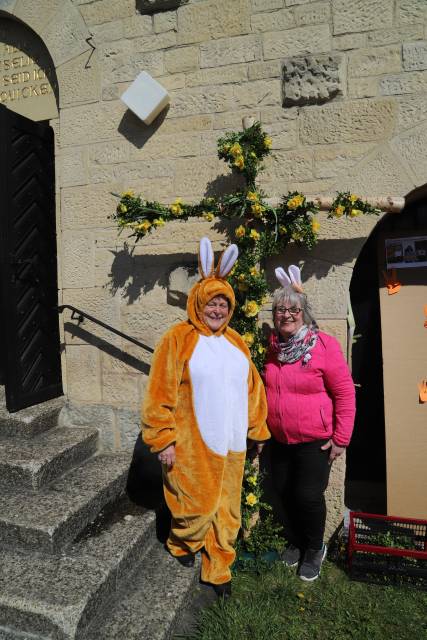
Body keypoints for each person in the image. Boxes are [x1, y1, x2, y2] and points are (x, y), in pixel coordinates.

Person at [142, 237, 269, 598]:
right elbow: (159, 392)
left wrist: (258, 429)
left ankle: (218, 566)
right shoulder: (178, 338)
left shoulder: (236, 342)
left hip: (231, 444)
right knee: (193, 508)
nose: (216, 310)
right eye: (211, 302)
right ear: (198, 301)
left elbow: (253, 388)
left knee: (228, 514)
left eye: (223, 304)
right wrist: (162, 438)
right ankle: (182, 544)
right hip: (192, 444)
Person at [263, 265, 355, 581]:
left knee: (307, 496)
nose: (286, 315)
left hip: (315, 440)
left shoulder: (324, 346)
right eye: (280, 310)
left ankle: (315, 548)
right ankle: (295, 541)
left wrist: (341, 438)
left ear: (304, 313)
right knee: (281, 491)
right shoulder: (273, 349)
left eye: (293, 309)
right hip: (279, 439)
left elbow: (344, 394)